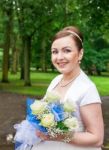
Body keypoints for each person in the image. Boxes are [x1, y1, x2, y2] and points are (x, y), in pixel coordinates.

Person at [32, 26, 104, 150]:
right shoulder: (56, 80)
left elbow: (97, 139)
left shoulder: (87, 89)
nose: (59, 57)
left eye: (67, 50)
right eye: (55, 51)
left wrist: (61, 136)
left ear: (80, 53)